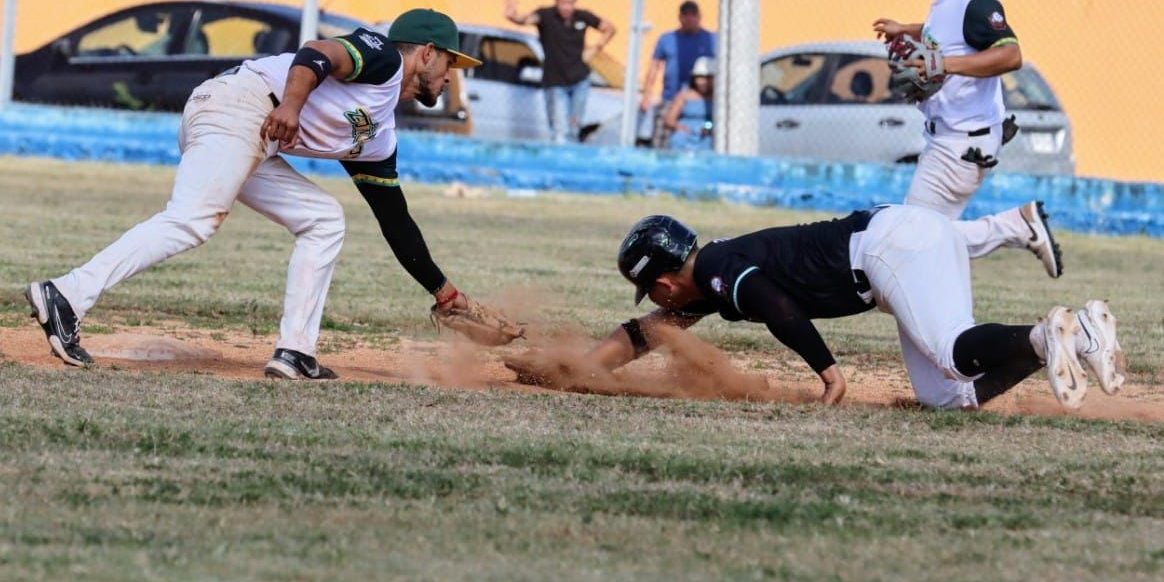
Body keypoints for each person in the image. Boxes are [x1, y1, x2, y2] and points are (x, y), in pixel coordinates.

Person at [25, 9, 515, 380]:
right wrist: (293, 106)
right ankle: (67, 294)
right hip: (238, 106)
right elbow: (316, 53)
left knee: (324, 219)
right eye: (450, 61)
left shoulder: (378, 135)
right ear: (426, 52)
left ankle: (295, 352)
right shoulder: (383, 57)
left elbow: (396, 221)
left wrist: (445, 294)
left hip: (253, 132)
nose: (451, 75)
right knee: (194, 218)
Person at [508, 207, 1126, 410]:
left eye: (653, 289)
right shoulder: (711, 275)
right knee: (948, 396)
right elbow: (644, 333)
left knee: (950, 350)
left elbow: (776, 305)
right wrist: (575, 371)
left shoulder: (720, 271)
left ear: (666, 280)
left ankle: (1054, 334)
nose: (659, 302)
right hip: (900, 239)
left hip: (887, 251)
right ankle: (1072, 339)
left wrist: (829, 373)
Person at [873, 1, 1063, 278]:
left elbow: (1010, 55)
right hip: (953, 139)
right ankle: (1015, 228)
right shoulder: (945, 6)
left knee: (912, 238)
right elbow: (945, 35)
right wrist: (905, 29)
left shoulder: (975, 4)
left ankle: (1016, 228)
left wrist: (943, 65)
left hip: (961, 142)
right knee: (918, 244)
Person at [504, 0, 616, 144]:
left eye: (570, 3)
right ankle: (560, 155)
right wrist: (513, 14)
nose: (566, 7)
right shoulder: (545, 15)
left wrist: (596, 48)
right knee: (560, 131)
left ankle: (570, 156)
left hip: (579, 82)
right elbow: (525, 20)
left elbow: (609, 28)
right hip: (556, 84)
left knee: (574, 129)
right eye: (563, 3)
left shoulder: (583, 17)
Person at [638, 1, 716, 147]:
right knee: (662, 140)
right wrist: (646, 95)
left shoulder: (712, 40)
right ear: (680, 18)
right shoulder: (667, 39)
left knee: (704, 138)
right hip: (670, 98)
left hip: (702, 101)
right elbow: (654, 66)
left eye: (693, 16)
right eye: (686, 16)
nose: (689, 19)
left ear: (699, 17)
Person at [661, 56, 715, 152]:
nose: (703, 82)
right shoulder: (684, 96)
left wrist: (709, 127)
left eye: (707, 78)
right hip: (684, 138)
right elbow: (669, 120)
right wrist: (682, 128)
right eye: (699, 77)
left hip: (707, 138)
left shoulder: (718, 99)